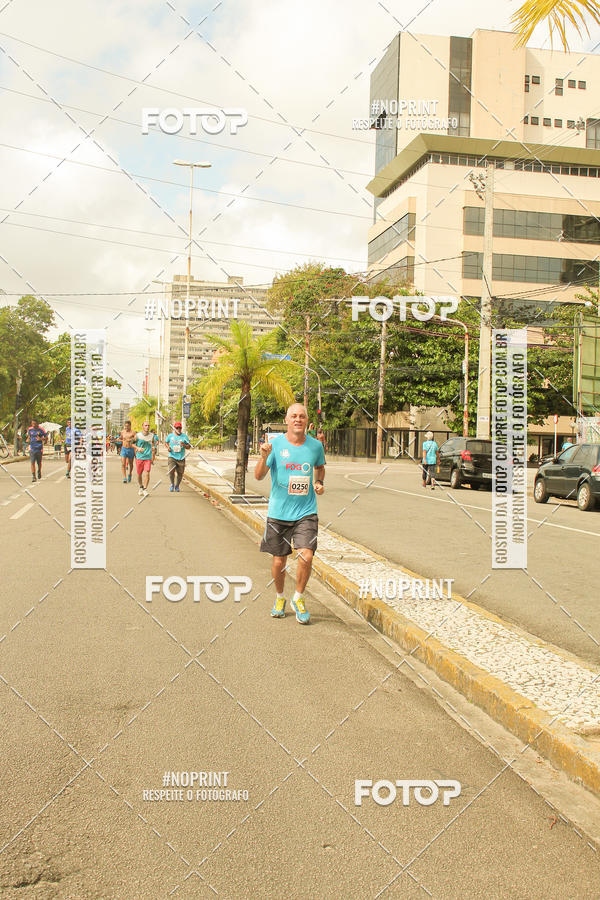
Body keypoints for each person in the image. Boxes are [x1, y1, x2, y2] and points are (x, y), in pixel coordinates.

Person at [254, 402, 325, 625]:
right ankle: (279, 598)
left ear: (307, 420)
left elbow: (320, 467)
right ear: (287, 420)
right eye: (293, 416)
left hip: (306, 512)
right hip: (279, 512)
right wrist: (264, 456)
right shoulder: (274, 446)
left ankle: (298, 597)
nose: (298, 419)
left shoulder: (315, 446)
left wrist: (320, 482)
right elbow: (258, 476)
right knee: (279, 561)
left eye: (302, 416)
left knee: (307, 555)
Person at [165, 421, 191, 492]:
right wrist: (168, 448)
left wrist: (184, 445)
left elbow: (189, 446)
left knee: (180, 473)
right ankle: (172, 484)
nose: (179, 429)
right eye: (177, 428)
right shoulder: (170, 436)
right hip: (172, 457)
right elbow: (166, 442)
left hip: (181, 458)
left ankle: (177, 486)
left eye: (180, 428)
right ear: (174, 428)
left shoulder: (184, 436)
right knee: (171, 471)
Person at [133, 421, 155, 497]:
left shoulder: (152, 435)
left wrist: (153, 457)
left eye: (148, 425)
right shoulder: (138, 435)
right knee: (139, 474)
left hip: (147, 458)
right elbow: (132, 444)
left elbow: (153, 445)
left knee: (147, 473)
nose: (147, 427)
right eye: (146, 425)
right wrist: (137, 448)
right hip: (139, 457)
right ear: (142, 426)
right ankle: (141, 487)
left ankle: (145, 489)